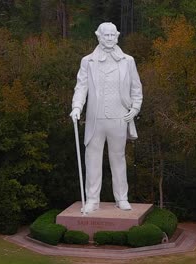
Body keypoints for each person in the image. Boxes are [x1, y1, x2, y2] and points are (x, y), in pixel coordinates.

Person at [70, 22, 143, 213]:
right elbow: (81, 87)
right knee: (92, 159)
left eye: (113, 35)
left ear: (117, 36)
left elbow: (136, 88)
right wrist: (77, 106)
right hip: (96, 119)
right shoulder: (88, 61)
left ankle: (122, 197)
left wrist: (135, 108)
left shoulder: (128, 61)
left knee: (118, 158)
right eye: (106, 35)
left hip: (119, 118)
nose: (110, 38)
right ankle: (92, 199)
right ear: (98, 36)